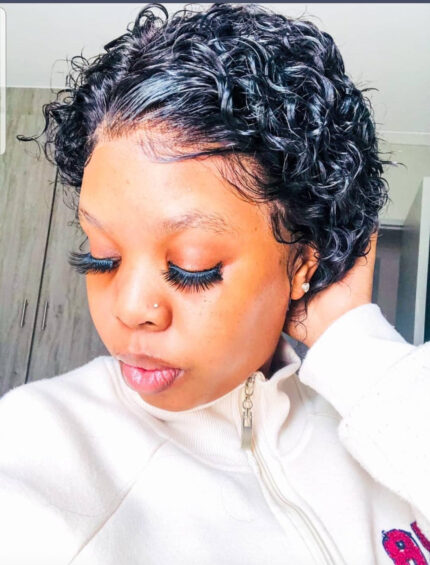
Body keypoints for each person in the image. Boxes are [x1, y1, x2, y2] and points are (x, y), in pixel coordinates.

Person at [3, 3, 430, 564]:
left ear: (304, 262)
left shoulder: (386, 417)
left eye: (192, 266)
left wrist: (356, 347)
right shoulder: (37, 440)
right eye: (102, 257)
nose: (130, 308)